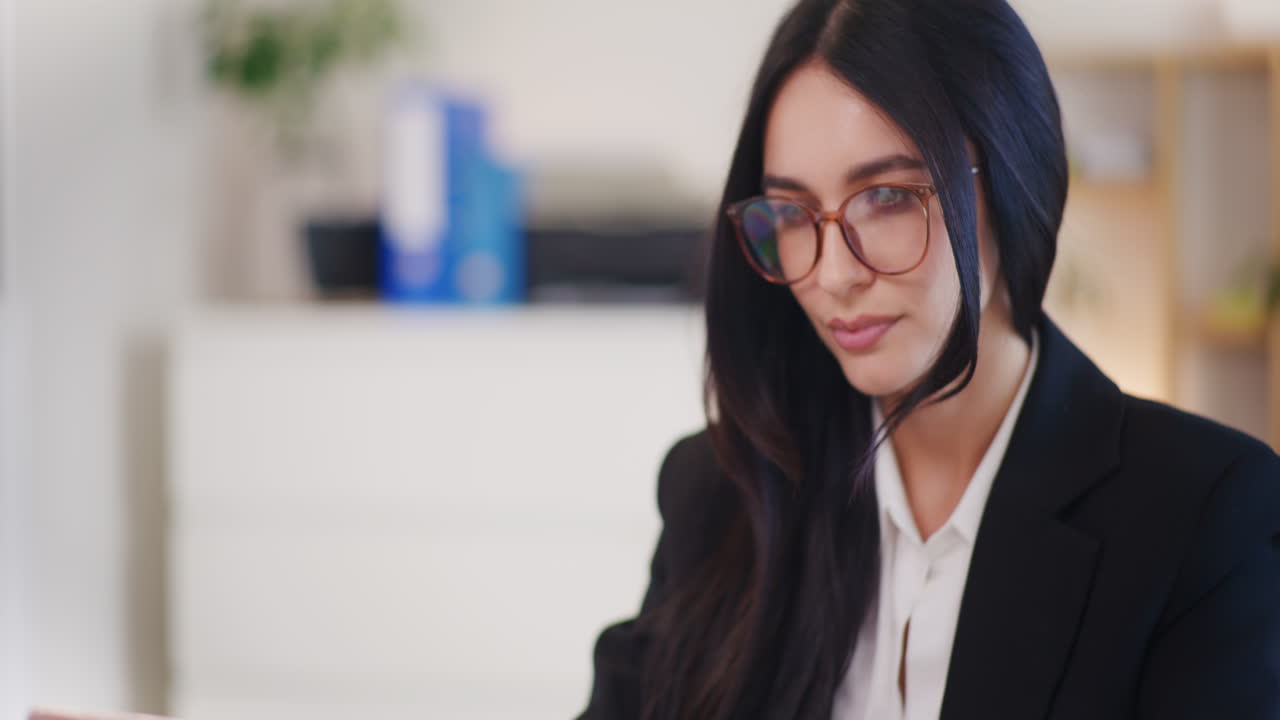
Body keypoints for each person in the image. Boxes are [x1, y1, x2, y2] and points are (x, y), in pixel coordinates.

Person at [577, 0, 1280, 718]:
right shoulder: (723, 491)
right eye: (792, 213)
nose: (833, 276)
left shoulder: (1202, 519)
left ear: (1013, 179)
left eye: (885, 198)